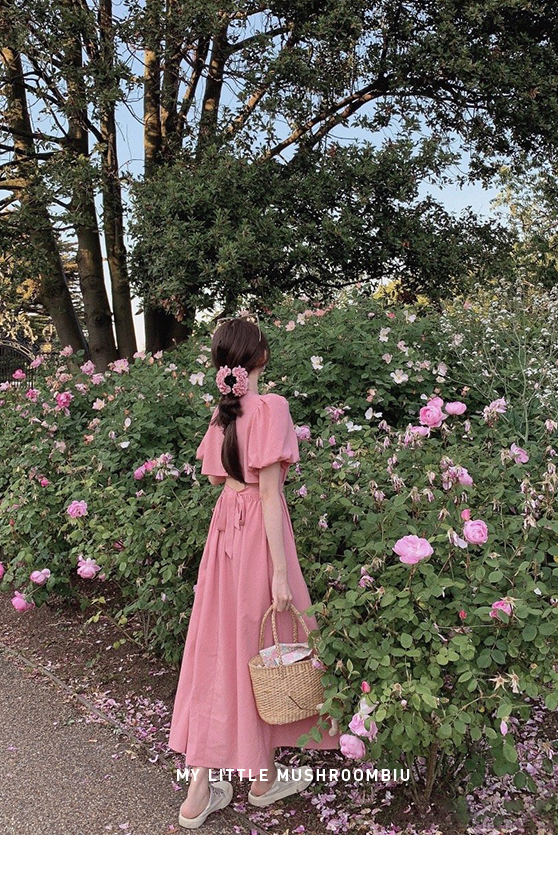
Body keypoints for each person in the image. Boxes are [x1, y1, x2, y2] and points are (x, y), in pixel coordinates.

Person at [167, 316, 341, 829]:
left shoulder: (225, 411)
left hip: (225, 533)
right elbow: (268, 494)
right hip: (258, 541)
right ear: (260, 357)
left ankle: (205, 787)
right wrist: (281, 574)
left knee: (218, 646)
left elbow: (218, 479)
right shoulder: (271, 408)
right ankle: (260, 780)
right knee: (260, 644)